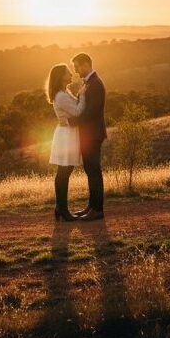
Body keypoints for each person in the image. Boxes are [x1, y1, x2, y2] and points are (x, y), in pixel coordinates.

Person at [68, 52, 107, 221]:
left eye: (77, 67)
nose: (76, 71)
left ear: (85, 64)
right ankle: (91, 207)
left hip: (93, 134)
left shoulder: (96, 84)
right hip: (87, 135)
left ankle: (97, 210)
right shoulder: (88, 83)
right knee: (90, 170)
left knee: (94, 171)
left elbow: (91, 112)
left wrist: (73, 121)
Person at [45, 63, 86, 221]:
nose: (71, 74)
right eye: (68, 72)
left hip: (68, 133)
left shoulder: (64, 92)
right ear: (61, 77)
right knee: (64, 172)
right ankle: (62, 210)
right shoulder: (61, 96)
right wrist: (83, 95)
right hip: (66, 136)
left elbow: (74, 112)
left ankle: (60, 208)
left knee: (64, 172)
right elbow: (77, 111)